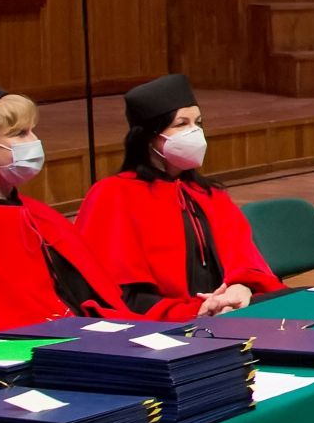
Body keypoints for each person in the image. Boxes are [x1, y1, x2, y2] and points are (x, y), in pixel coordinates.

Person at [76, 74, 283, 320]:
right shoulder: (113, 194)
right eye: (182, 124)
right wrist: (200, 309)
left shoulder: (209, 194)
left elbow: (246, 264)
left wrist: (241, 288)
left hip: (231, 309)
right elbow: (119, 292)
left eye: (198, 123)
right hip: (165, 319)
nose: (194, 132)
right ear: (149, 136)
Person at [0, 74, 130, 339]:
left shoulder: (41, 215)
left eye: (32, 130)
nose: (34, 140)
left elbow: (93, 300)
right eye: (20, 133)